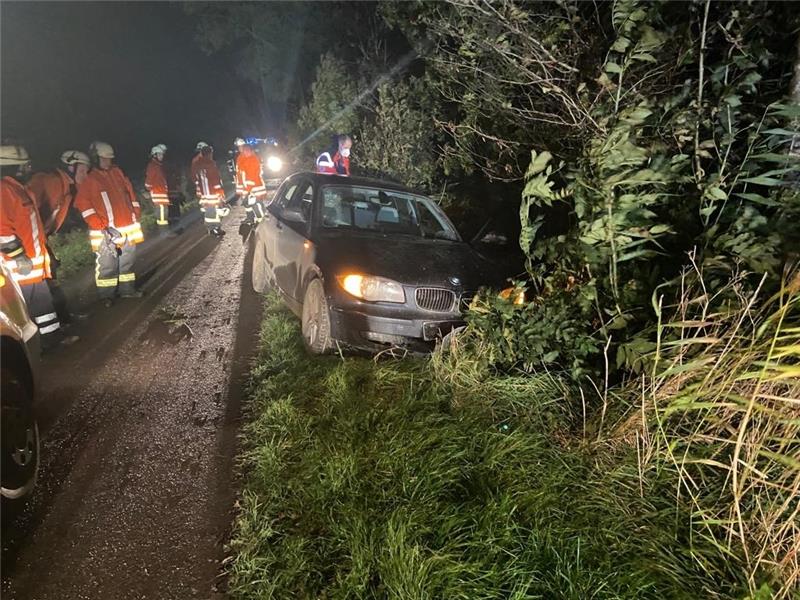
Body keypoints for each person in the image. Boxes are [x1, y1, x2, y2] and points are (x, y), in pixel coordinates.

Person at [0, 144, 62, 345]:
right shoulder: (4, 191)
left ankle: (51, 340)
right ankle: (45, 344)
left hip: (32, 263)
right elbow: (2, 231)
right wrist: (18, 256)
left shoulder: (17, 189)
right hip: (20, 266)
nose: (28, 169)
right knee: (33, 307)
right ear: (13, 167)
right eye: (24, 166)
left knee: (42, 304)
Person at [74, 141, 144, 307]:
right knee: (107, 265)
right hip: (105, 232)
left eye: (109, 159)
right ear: (95, 158)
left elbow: (130, 194)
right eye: (104, 159)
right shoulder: (90, 179)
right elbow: (84, 205)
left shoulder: (117, 173)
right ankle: (106, 295)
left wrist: (136, 213)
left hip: (128, 228)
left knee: (128, 262)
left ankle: (127, 290)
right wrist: (101, 226)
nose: (107, 162)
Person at [27, 150, 91, 324]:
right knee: (39, 283)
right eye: (83, 170)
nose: (86, 175)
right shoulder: (48, 182)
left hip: (39, 240)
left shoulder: (66, 187)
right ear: (71, 166)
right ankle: (52, 323)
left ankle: (62, 317)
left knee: (51, 277)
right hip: (27, 243)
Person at [191, 141, 228, 237]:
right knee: (211, 210)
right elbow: (214, 179)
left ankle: (214, 228)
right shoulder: (208, 163)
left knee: (211, 210)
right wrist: (219, 191)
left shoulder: (199, 163)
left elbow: (196, 177)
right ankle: (213, 229)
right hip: (211, 192)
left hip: (206, 192)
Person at [235, 138, 267, 224]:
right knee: (247, 203)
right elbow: (240, 173)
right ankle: (250, 217)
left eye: (241, 146)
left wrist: (247, 189)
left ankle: (262, 221)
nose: (240, 148)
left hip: (254, 187)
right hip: (246, 186)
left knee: (256, 203)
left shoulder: (251, 158)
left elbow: (251, 175)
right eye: (239, 147)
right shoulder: (241, 157)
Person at [145, 143, 169, 226]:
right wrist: (148, 188)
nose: (161, 156)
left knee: (163, 211)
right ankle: (163, 232)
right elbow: (149, 180)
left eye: (162, 154)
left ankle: (164, 230)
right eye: (160, 154)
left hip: (161, 192)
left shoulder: (158, 165)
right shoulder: (153, 166)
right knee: (162, 212)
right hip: (158, 193)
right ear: (154, 155)